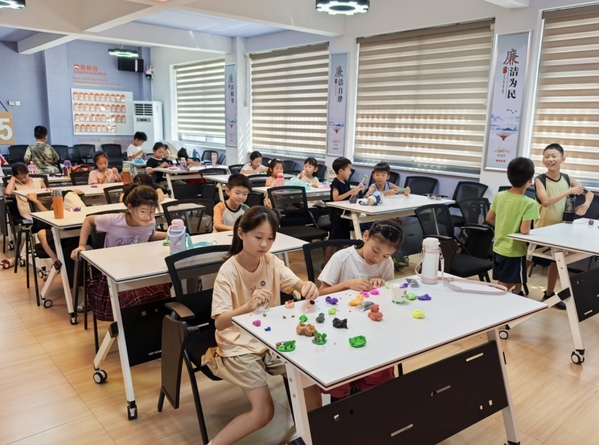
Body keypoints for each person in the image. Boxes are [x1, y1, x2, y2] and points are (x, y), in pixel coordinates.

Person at [203, 206, 320, 445]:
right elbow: (220, 322)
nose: (264, 245)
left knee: (310, 380)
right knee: (264, 412)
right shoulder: (228, 271)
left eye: (270, 238)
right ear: (241, 233)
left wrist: (307, 286)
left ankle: (311, 436)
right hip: (238, 344)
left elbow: (297, 285)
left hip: (269, 339)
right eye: (258, 237)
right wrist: (247, 307)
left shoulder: (271, 262)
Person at [318, 219, 402, 400]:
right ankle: (343, 397)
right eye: (375, 250)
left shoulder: (386, 263)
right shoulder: (343, 257)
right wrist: (347, 284)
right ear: (365, 236)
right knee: (339, 376)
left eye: (385, 255)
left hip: (371, 326)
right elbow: (320, 293)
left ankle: (368, 396)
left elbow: (388, 296)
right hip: (339, 325)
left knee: (379, 372)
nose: (377, 259)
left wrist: (381, 285)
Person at [70, 185, 170, 321]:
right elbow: (88, 221)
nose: (148, 217)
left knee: (161, 295)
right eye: (143, 211)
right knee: (139, 299)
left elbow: (150, 236)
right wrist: (82, 245)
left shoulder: (150, 222)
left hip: (139, 271)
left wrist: (171, 235)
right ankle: (132, 327)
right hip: (113, 274)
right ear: (130, 208)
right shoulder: (114, 220)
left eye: (152, 211)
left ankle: (148, 327)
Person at [534, 143, 594, 308]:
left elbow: (589, 193)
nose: (550, 159)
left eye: (554, 156)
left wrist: (586, 204)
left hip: (561, 229)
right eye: (546, 156)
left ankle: (549, 294)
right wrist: (568, 191)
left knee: (556, 261)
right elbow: (546, 202)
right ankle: (516, 287)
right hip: (542, 229)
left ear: (563, 159)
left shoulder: (567, 179)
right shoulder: (540, 179)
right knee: (528, 258)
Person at [5, 162, 85, 272]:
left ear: (28, 173)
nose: (23, 180)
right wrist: (13, 179)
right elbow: (7, 192)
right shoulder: (16, 185)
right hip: (28, 213)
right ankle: (57, 256)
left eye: (25, 176)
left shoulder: (38, 181)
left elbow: (48, 194)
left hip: (42, 210)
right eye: (20, 178)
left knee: (59, 215)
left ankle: (59, 254)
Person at [486, 157, 539, 295]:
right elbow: (524, 230)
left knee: (511, 276)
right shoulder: (529, 203)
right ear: (530, 179)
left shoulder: (500, 195)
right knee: (504, 283)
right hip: (514, 251)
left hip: (498, 247)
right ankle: (496, 299)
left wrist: (502, 226)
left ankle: (517, 292)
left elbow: (489, 218)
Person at [329, 157, 364, 241]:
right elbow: (335, 198)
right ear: (341, 171)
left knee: (344, 239)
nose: (350, 172)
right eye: (349, 169)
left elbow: (349, 198)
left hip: (345, 214)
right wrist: (349, 192)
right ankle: (329, 250)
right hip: (337, 215)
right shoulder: (336, 182)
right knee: (334, 239)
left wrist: (357, 190)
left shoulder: (346, 182)